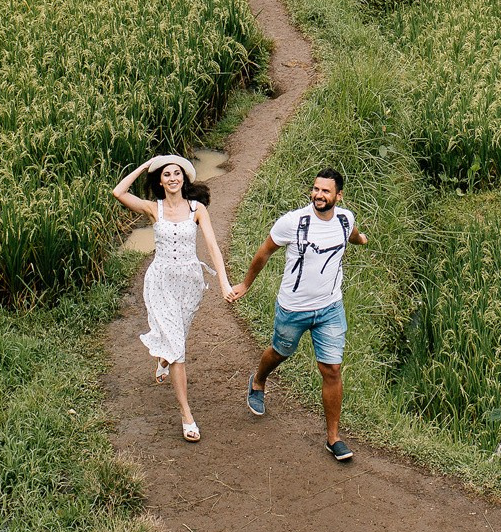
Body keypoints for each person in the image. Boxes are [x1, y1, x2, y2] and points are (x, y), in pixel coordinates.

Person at [227, 167, 366, 463]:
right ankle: (258, 381)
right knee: (280, 352)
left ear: (339, 196)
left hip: (330, 308)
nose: (318, 195)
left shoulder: (345, 219)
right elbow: (264, 252)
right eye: (316, 189)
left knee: (332, 369)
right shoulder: (293, 222)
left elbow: (352, 235)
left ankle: (333, 438)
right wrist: (245, 284)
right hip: (294, 308)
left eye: (325, 191)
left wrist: (361, 240)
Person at [110, 153, 229, 442]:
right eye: (166, 174)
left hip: (189, 283)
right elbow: (119, 192)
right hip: (161, 282)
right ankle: (187, 415)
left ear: (184, 178)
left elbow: (212, 246)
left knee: (178, 339)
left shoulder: (197, 209)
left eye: (177, 173)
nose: (173, 178)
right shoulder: (154, 208)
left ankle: (163, 359)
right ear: (160, 182)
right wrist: (146, 165)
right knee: (178, 349)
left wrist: (224, 283)